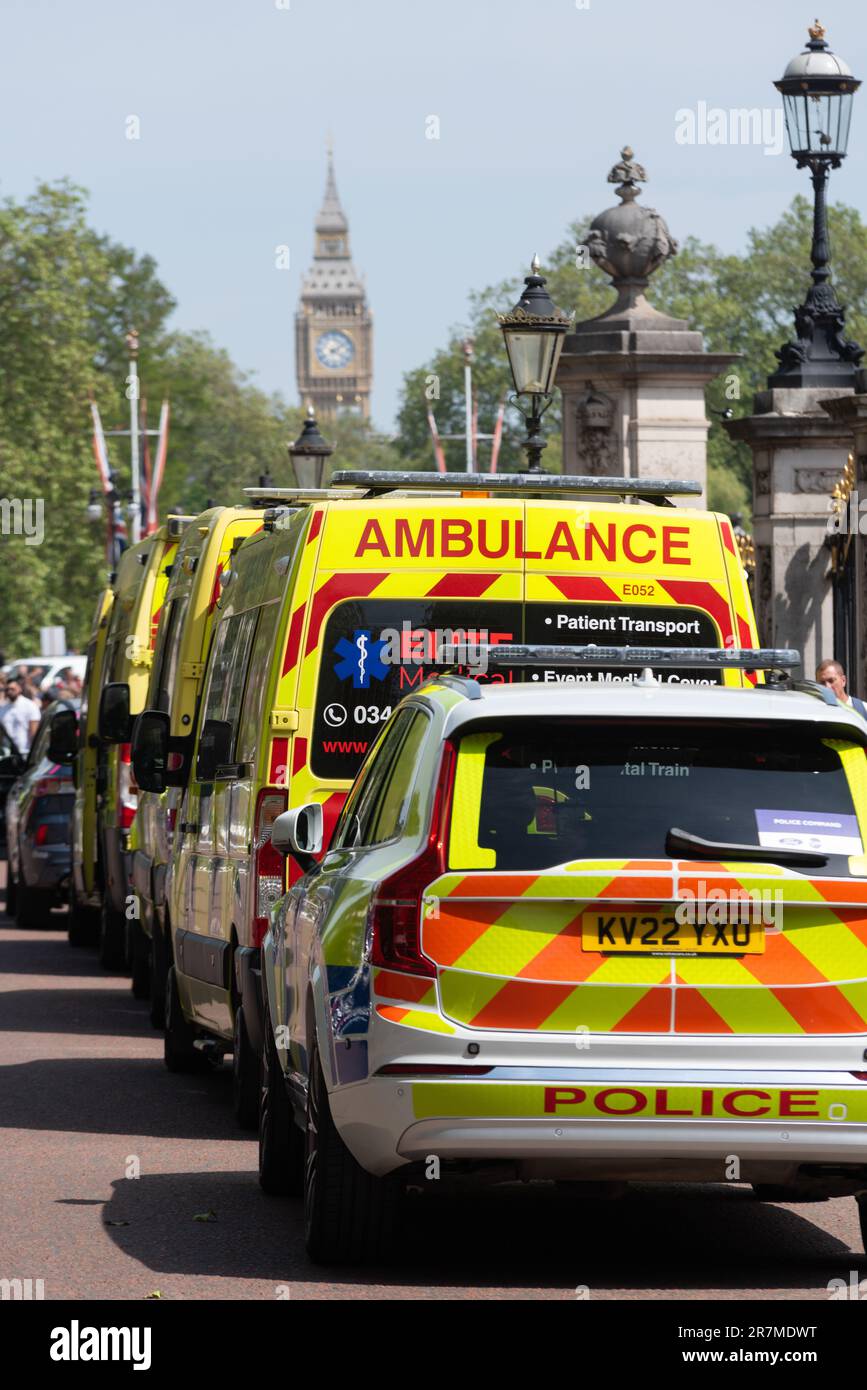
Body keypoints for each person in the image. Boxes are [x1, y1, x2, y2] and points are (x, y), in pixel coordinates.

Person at [0, 678, 41, 755]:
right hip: (7, 752)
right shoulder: (3, 708)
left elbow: (34, 733)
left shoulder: (30, 706)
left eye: (12, 689)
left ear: (19, 689)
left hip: (25, 751)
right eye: (7, 689)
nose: (9, 691)